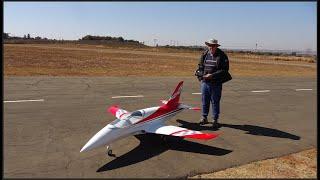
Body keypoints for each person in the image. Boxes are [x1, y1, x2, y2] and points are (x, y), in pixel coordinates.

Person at [195, 38, 231, 128]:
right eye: (210, 45)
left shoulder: (222, 55)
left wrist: (212, 75)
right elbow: (201, 66)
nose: (211, 47)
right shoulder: (205, 54)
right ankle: (204, 117)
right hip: (205, 82)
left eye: (213, 46)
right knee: (204, 101)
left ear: (216, 46)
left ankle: (215, 119)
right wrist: (199, 73)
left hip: (216, 83)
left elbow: (224, 70)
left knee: (215, 101)